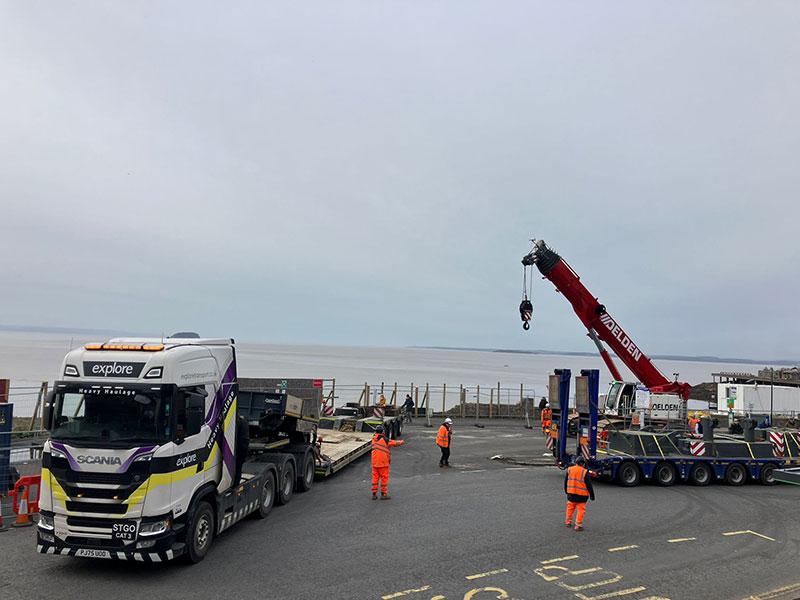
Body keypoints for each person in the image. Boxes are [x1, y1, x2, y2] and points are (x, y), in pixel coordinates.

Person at [371, 424, 404, 499]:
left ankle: (374, 494)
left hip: (375, 463)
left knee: (375, 478)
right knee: (384, 478)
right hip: (383, 463)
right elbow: (394, 443)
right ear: (383, 432)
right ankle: (383, 494)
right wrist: (402, 442)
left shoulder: (373, 439)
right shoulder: (385, 440)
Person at [564, 456, 595, 532]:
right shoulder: (584, 472)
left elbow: (566, 482)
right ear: (583, 463)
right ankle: (578, 525)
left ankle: (568, 522)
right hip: (582, 496)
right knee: (581, 510)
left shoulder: (570, 469)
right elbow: (589, 485)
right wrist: (592, 495)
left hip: (571, 494)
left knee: (570, 508)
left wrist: (566, 491)